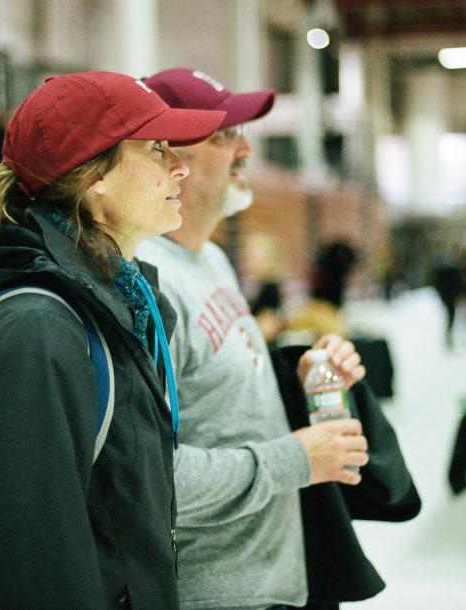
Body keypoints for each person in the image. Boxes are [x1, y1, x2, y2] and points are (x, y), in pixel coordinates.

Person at [0, 71, 225, 608]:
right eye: (157, 148)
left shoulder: (125, 307)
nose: (179, 165)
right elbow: (34, 568)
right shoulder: (37, 331)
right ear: (93, 174)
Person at [137, 68, 374, 610]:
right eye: (224, 135)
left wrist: (304, 373)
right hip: (211, 593)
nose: (246, 148)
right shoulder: (147, 283)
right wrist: (295, 458)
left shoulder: (212, 259)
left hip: (272, 579)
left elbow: (215, 398)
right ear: (168, 158)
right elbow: (146, 481)